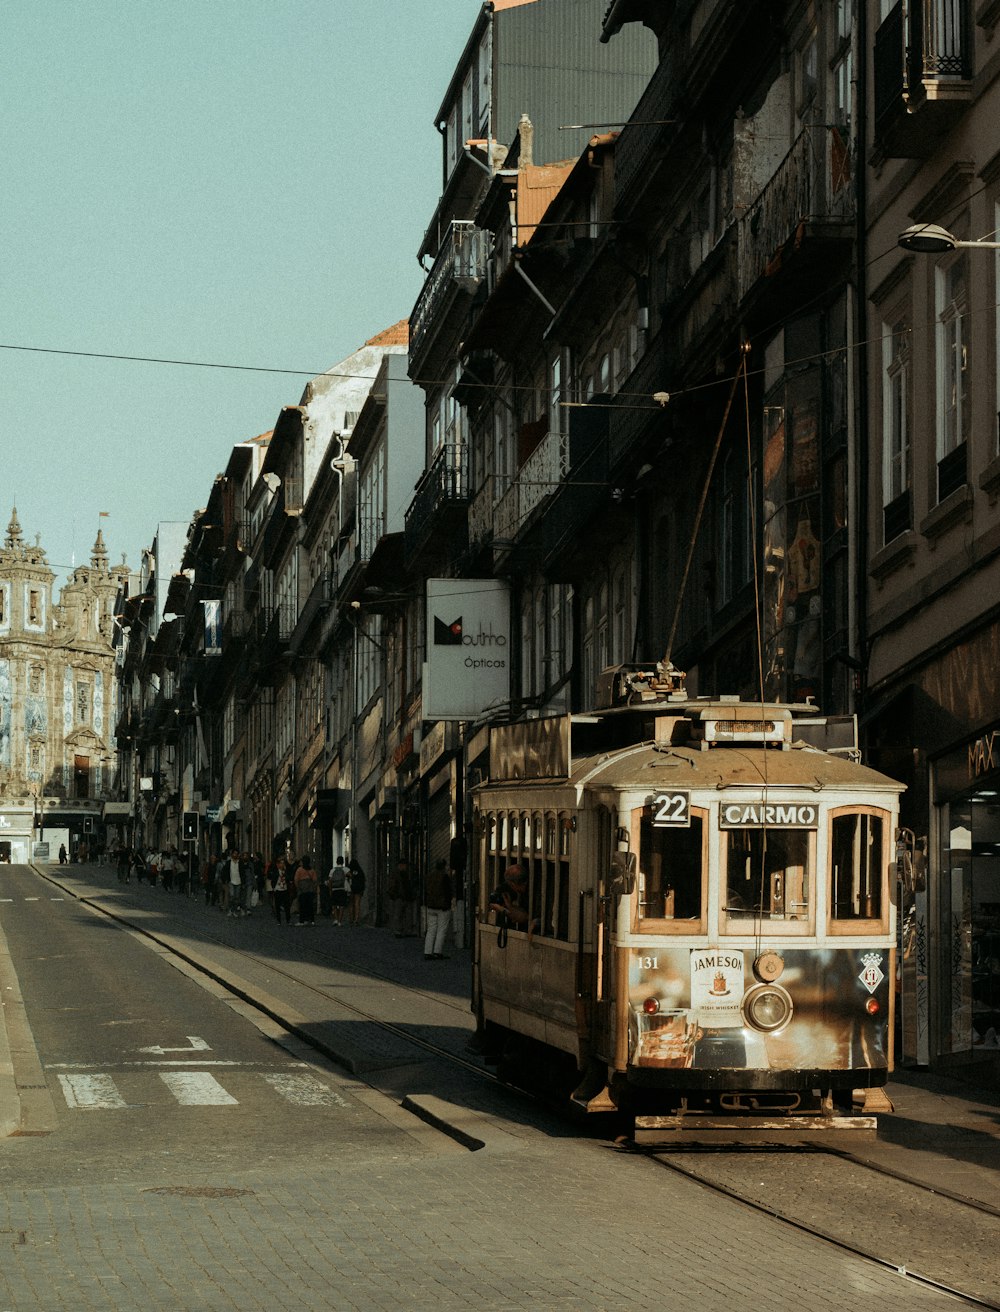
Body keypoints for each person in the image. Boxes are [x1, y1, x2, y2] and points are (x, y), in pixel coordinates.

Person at [423, 859, 452, 961]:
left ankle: (427, 951)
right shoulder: (444, 877)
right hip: (442, 907)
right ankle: (437, 951)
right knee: (441, 930)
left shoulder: (430, 876)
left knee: (431, 929)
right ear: (444, 867)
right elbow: (448, 891)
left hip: (431, 906)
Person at [388, 858, 414, 938]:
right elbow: (392, 885)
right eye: (404, 865)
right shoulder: (397, 874)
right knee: (399, 914)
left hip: (405, 897)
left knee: (406, 915)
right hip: (399, 897)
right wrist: (395, 895)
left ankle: (404, 930)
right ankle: (398, 931)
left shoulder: (406, 874)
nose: (405, 867)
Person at [294, 854, 318, 925]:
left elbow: (296, 879)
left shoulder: (300, 870)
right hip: (310, 890)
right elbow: (315, 880)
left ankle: (302, 920)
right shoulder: (312, 870)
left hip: (302, 890)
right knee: (310, 906)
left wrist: (298, 888)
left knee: (302, 906)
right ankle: (312, 920)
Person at [270, 856, 292, 924]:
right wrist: (274, 888)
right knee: (277, 906)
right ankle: (279, 920)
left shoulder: (286, 871)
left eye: (283, 863)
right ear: (278, 864)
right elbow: (273, 880)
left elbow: (289, 878)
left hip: (285, 889)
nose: (282, 865)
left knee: (287, 906)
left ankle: (288, 920)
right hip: (278, 889)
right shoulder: (276, 872)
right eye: (281, 863)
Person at [328, 857, 349, 926]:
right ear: (343, 862)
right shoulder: (345, 869)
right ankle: (340, 921)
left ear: (336, 862)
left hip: (334, 889)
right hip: (342, 889)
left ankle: (336, 919)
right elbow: (351, 875)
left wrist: (330, 890)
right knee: (341, 905)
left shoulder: (333, 870)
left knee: (334, 905)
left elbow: (330, 881)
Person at [347, 858, 366, 926]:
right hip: (359, 888)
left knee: (351, 903)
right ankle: (356, 919)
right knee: (357, 903)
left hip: (351, 888)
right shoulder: (360, 871)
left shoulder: (350, 871)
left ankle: (351, 918)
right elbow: (363, 880)